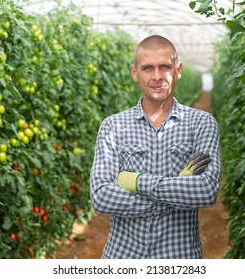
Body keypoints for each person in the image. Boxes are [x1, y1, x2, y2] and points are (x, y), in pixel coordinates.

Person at [90, 34, 221, 259]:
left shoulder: (201, 123)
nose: (157, 76)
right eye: (148, 68)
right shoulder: (113, 126)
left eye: (165, 67)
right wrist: (177, 193)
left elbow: (206, 190)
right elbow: (101, 196)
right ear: (135, 73)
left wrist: (138, 181)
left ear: (178, 70)